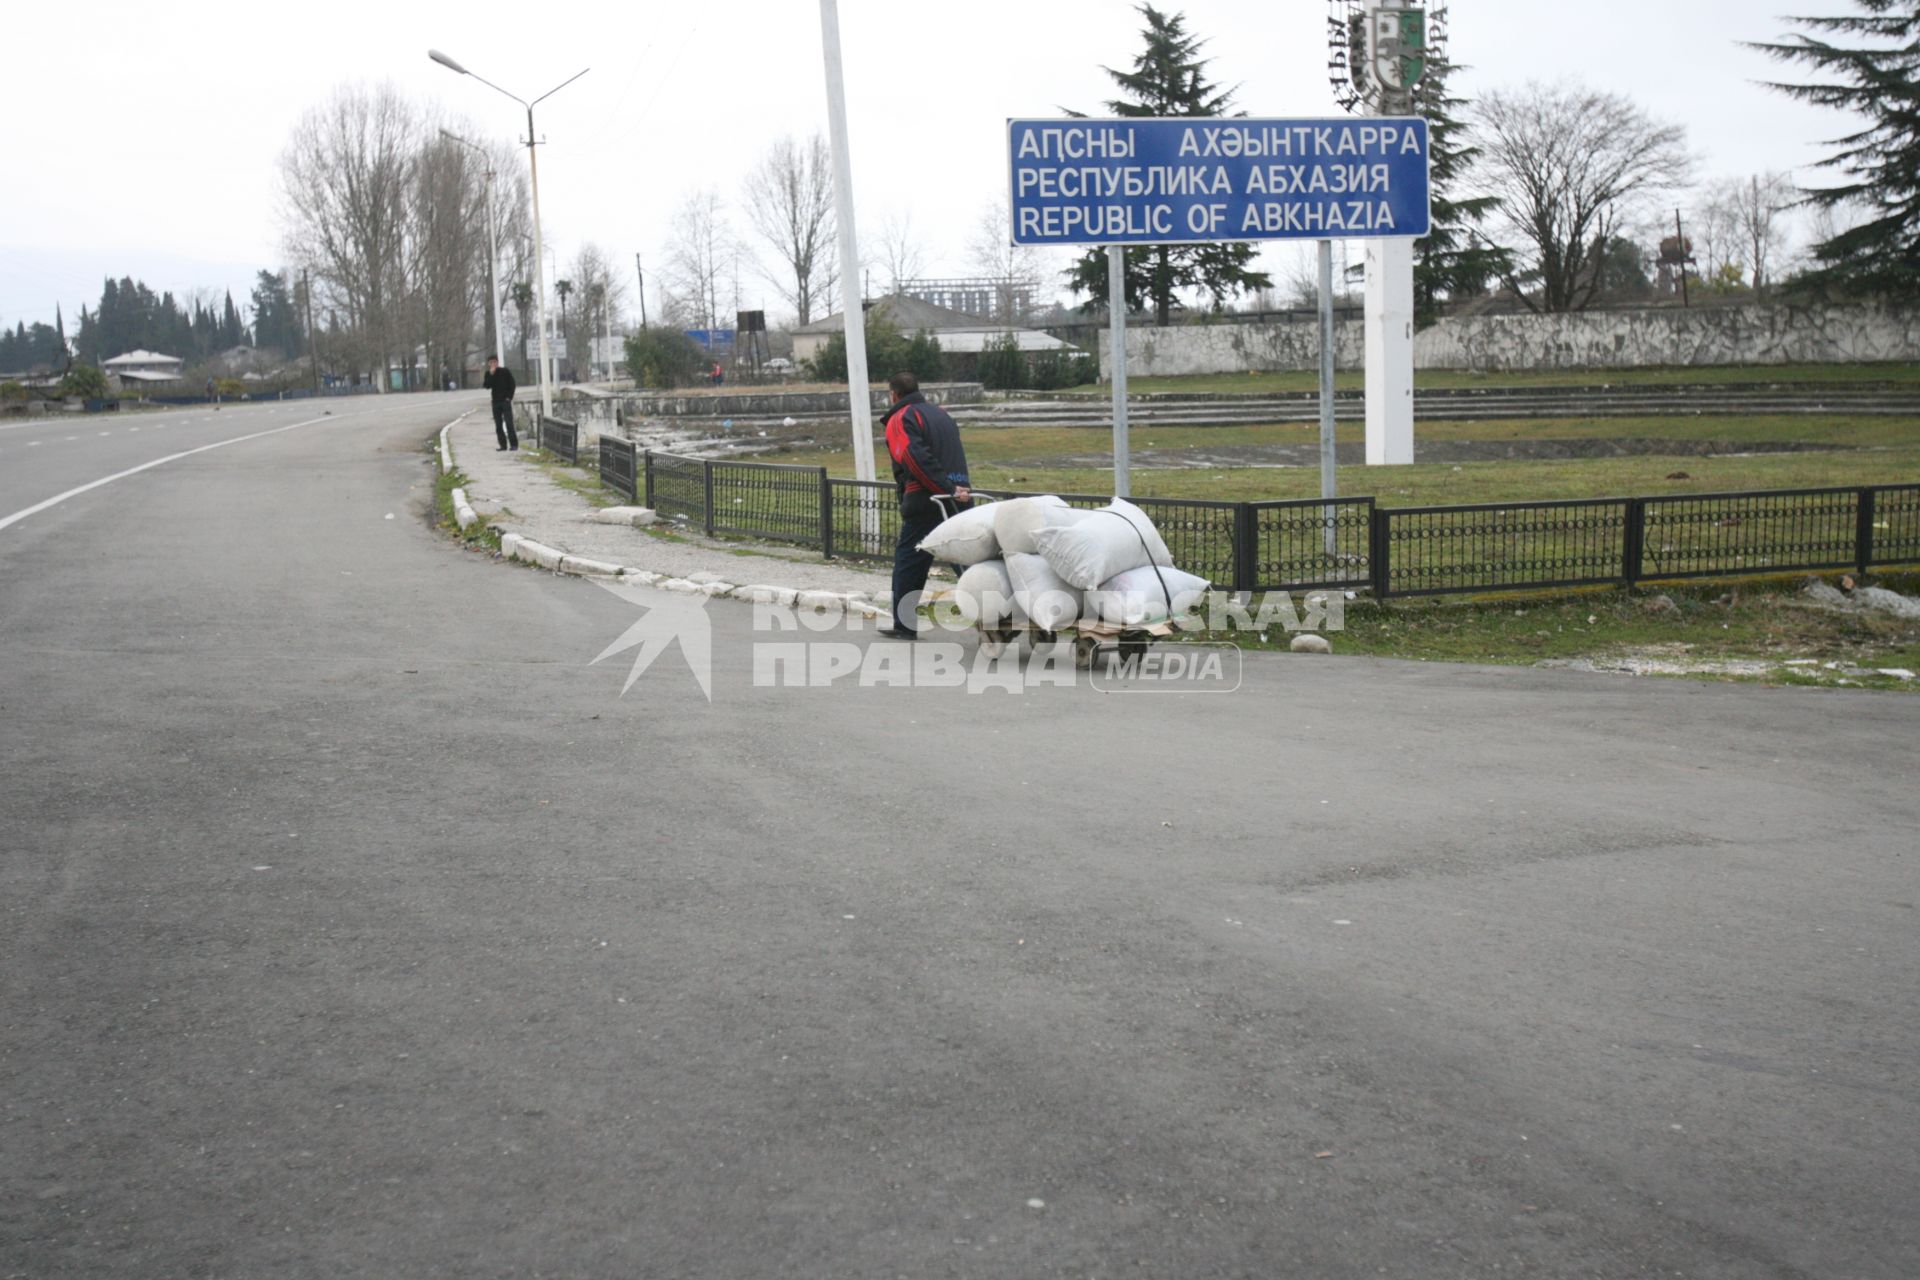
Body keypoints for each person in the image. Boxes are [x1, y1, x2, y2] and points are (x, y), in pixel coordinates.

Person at [880, 371, 970, 638]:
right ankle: (999, 615)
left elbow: (914, 458)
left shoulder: (900, 418)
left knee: (909, 562)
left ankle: (904, 625)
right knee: (966, 562)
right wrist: (956, 489)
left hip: (928, 499)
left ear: (894, 394)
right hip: (960, 495)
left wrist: (945, 488)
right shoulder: (941, 414)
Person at [483, 355, 519, 451]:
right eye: (491, 362)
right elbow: (487, 385)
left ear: (497, 362)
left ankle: (514, 444)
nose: (493, 364)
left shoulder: (505, 371)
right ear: (489, 364)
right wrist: (491, 374)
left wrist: (509, 397)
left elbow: (512, 384)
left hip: (505, 401)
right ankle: (503, 445)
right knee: (498, 425)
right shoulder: (488, 373)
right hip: (495, 402)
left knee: (509, 423)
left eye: (495, 362)